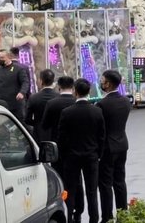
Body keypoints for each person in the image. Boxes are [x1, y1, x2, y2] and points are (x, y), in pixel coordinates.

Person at [58, 78, 105, 223]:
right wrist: (98, 155)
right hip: (91, 156)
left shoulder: (66, 112)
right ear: (88, 91)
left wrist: (64, 154)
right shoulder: (97, 111)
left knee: (70, 190)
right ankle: (94, 219)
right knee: (92, 191)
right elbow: (102, 136)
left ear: (75, 91)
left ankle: (70, 218)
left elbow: (61, 137)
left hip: (71, 157)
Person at [41, 76, 85, 223]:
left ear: (58, 86)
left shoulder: (52, 103)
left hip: (58, 149)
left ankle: (65, 211)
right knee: (77, 181)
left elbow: (45, 125)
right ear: (73, 87)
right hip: (77, 148)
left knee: (60, 180)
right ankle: (78, 210)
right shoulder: (76, 102)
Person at [96, 70, 132, 223]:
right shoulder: (125, 101)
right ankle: (123, 214)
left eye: (103, 80)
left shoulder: (102, 104)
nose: (101, 83)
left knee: (105, 184)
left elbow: (99, 129)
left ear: (108, 84)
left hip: (107, 148)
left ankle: (107, 217)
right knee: (120, 181)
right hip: (122, 144)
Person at [0, 50, 31, 120]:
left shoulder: (18, 69)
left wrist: (22, 92)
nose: (0, 59)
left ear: (9, 57)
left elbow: (25, 82)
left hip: (15, 104)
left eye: (2, 57)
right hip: (1, 104)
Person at [26, 69, 58, 143]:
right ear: (53, 81)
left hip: (39, 135)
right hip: (55, 135)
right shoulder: (58, 97)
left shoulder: (33, 98)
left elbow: (27, 119)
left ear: (41, 81)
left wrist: (37, 123)